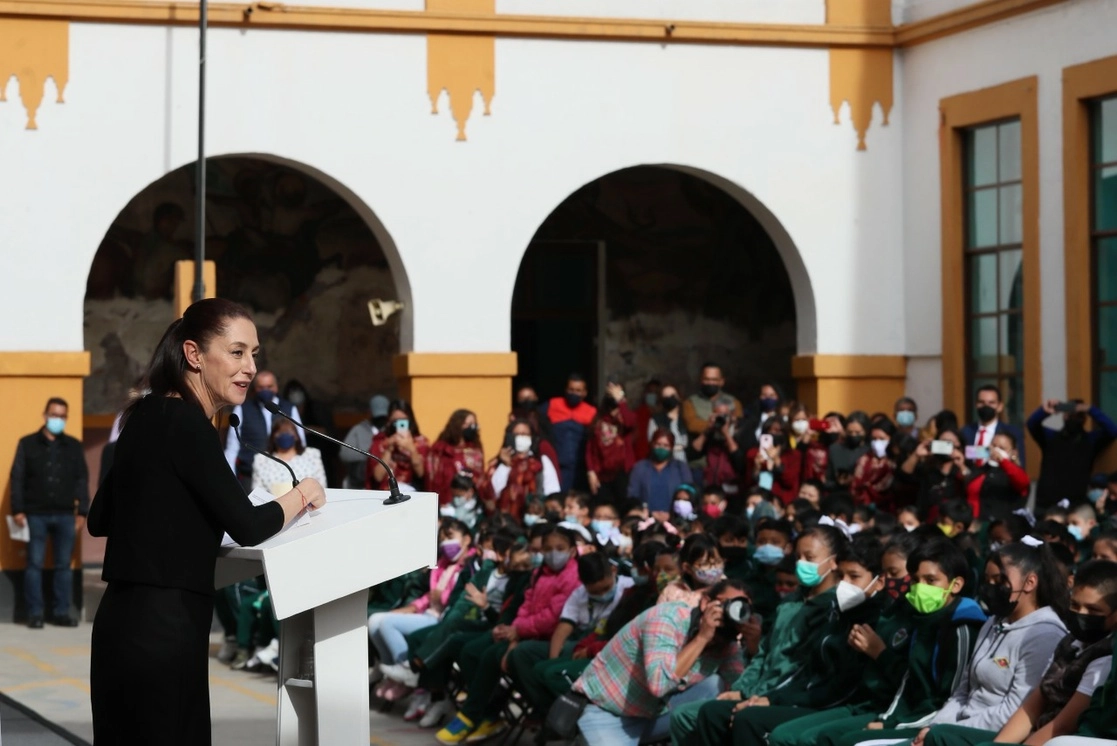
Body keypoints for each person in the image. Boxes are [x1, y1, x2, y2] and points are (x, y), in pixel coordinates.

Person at [87, 298, 327, 745]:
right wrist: (303, 494)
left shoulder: (143, 415)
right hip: (166, 632)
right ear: (194, 355)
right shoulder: (189, 424)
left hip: (119, 625)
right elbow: (249, 526)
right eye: (237, 352)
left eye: (254, 354)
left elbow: (100, 518)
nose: (250, 367)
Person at [921, 559, 1117, 746]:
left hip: (1056, 740)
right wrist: (995, 745)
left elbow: (1062, 726)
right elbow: (1032, 707)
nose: (1081, 614)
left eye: (1093, 610)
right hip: (1033, 735)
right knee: (939, 736)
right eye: (1075, 605)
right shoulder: (1069, 642)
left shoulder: (1104, 657)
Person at [903, 539, 1069, 746]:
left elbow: (1016, 710)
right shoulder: (993, 622)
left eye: (999, 581)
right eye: (988, 580)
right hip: (953, 730)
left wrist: (946, 732)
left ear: (1030, 582)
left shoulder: (1045, 634)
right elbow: (964, 690)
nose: (991, 587)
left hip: (996, 736)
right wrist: (934, 726)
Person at [572, 580, 751, 746]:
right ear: (705, 603)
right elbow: (659, 685)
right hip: (609, 714)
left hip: (655, 714)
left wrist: (755, 649)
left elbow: (738, 689)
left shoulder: (726, 643)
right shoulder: (667, 618)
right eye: (728, 604)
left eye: (741, 609)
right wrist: (702, 638)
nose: (732, 613)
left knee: (716, 685)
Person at [9, 396, 89, 628]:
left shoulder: (73, 446)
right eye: (54, 415)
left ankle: (61, 612)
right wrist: (18, 509)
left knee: (63, 565)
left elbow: (81, 479)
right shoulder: (27, 444)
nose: (58, 420)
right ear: (45, 415)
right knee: (34, 564)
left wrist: (82, 511)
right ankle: (35, 614)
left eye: (62, 416)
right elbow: (18, 477)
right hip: (35, 515)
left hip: (66, 515)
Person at [1028, 399, 1117, 512]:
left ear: (1084, 418)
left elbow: (1112, 430)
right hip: (1046, 504)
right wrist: (1045, 411)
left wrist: (1089, 409)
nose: (1073, 418)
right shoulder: (1051, 437)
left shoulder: (1090, 440)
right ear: (1064, 416)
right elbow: (1032, 424)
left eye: (1078, 415)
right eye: (1070, 414)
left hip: (1075, 506)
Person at [222, 369, 305, 488]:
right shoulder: (243, 409)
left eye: (269, 386)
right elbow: (232, 448)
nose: (265, 390)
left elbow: (300, 442)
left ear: (276, 387)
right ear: (255, 389)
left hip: (283, 476)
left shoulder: (288, 408)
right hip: (249, 476)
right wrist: (231, 480)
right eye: (261, 387)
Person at [486, 418, 561, 519]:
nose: (522, 437)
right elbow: (494, 491)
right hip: (506, 518)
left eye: (525, 434)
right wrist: (505, 465)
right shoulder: (498, 463)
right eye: (517, 434)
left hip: (535, 516)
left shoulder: (541, 461)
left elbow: (552, 491)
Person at [542, 373, 598, 491]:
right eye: (571, 389)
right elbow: (535, 422)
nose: (574, 393)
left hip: (581, 468)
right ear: (566, 390)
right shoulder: (552, 405)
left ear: (584, 393)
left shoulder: (591, 412)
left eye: (578, 390)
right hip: (558, 466)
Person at [900, 429, 969, 522]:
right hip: (928, 523)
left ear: (959, 447)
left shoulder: (963, 468)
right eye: (942, 443)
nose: (945, 447)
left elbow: (972, 485)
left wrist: (961, 465)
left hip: (954, 523)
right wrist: (916, 455)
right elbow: (904, 475)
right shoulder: (928, 469)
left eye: (949, 443)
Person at [585, 382, 637, 504]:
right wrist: (591, 471)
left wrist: (621, 400)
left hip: (623, 474)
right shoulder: (598, 421)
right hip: (602, 475)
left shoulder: (626, 418)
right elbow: (590, 449)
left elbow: (630, 422)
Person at [962, 431, 1029, 523]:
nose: (995, 451)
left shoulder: (1014, 473)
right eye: (993, 445)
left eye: (1002, 448)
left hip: (1002, 525)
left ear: (1013, 453)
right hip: (975, 522)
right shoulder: (982, 470)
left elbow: (1022, 482)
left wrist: (1002, 460)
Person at [427, 409, 489, 505]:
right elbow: (432, 475)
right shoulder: (441, 448)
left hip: (470, 500)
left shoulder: (475, 448)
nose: (471, 427)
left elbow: (480, 475)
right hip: (446, 499)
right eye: (467, 424)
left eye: (473, 424)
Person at [250, 418, 327, 495]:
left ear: (296, 435)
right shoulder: (262, 460)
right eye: (280, 432)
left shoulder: (312, 455)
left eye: (288, 432)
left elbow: (321, 487)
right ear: (273, 436)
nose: (284, 435)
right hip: (274, 505)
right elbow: (258, 493)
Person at [627, 428, 694, 515]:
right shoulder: (640, 467)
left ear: (671, 447)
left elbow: (689, 493)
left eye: (666, 446)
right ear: (652, 445)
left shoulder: (680, 467)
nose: (661, 448)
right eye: (658, 444)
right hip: (646, 517)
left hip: (674, 517)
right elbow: (632, 495)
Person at [367, 399, 428, 492]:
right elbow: (377, 477)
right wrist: (389, 449)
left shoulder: (420, 442)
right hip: (385, 491)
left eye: (403, 421)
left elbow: (421, 474)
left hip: (411, 492)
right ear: (389, 421)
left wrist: (412, 449)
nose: (399, 424)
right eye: (395, 421)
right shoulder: (380, 442)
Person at [960, 385, 1026, 468]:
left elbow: (1020, 466)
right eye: (981, 402)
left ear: (1000, 406)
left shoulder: (1013, 432)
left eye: (991, 403)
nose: (986, 406)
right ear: (976, 404)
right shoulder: (965, 431)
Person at [682, 363, 745, 441]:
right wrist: (714, 425)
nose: (710, 383)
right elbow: (692, 425)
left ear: (721, 381)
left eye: (714, 380)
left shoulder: (734, 402)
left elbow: (739, 426)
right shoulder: (690, 403)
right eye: (707, 379)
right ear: (701, 380)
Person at [340, 394, 389, 488]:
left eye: (383, 417)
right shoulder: (358, 430)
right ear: (369, 413)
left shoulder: (390, 431)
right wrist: (370, 454)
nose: (380, 421)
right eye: (377, 417)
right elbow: (344, 454)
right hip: (360, 482)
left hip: (385, 482)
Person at [851, 417, 898, 510]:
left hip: (889, 508)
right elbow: (855, 485)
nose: (877, 442)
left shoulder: (896, 461)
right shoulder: (864, 460)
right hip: (862, 508)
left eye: (882, 439)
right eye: (874, 439)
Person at [738, 383, 785, 453]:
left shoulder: (784, 418)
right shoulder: (751, 420)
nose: (768, 398)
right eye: (764, 395)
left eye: (772, 395)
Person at [828, 411, 870, 489]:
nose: (853, 435)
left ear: (866, 431)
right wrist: (838, 482)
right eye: (850, 432)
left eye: (858, 432)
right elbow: (828, 479)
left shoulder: (870, 451)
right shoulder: (834, 449)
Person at [648, 384, 689, 462]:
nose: (670, 399)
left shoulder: (685, 418)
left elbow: (687, 443)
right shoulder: (656, 420)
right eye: (666, 397)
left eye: (672, 396)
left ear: (679, 397)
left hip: (681, 464)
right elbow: (652, 442)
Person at [633, 378, 662, 461]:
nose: (652, 395)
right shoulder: (640, 412)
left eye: (655, 393)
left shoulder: (663, 415)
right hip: (641, 457)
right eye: (650, 392)